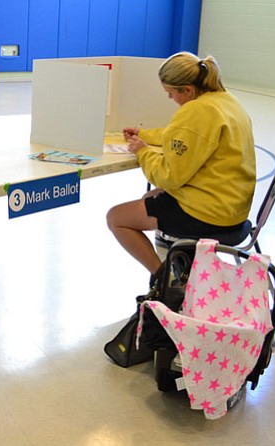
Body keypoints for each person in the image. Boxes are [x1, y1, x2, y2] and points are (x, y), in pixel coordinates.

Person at [106, 51, 256, 288]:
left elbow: (169, 177)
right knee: (149, 198)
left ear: (187, 90)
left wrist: (143, 152)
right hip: (233, 208)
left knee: (116, 218)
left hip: (208, 214)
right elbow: (181, 136)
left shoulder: (196, 111)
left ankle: (164, 280)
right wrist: (144, 135)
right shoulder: (226, 101)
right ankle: (178, 270)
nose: (169, 98)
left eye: (171, 93)